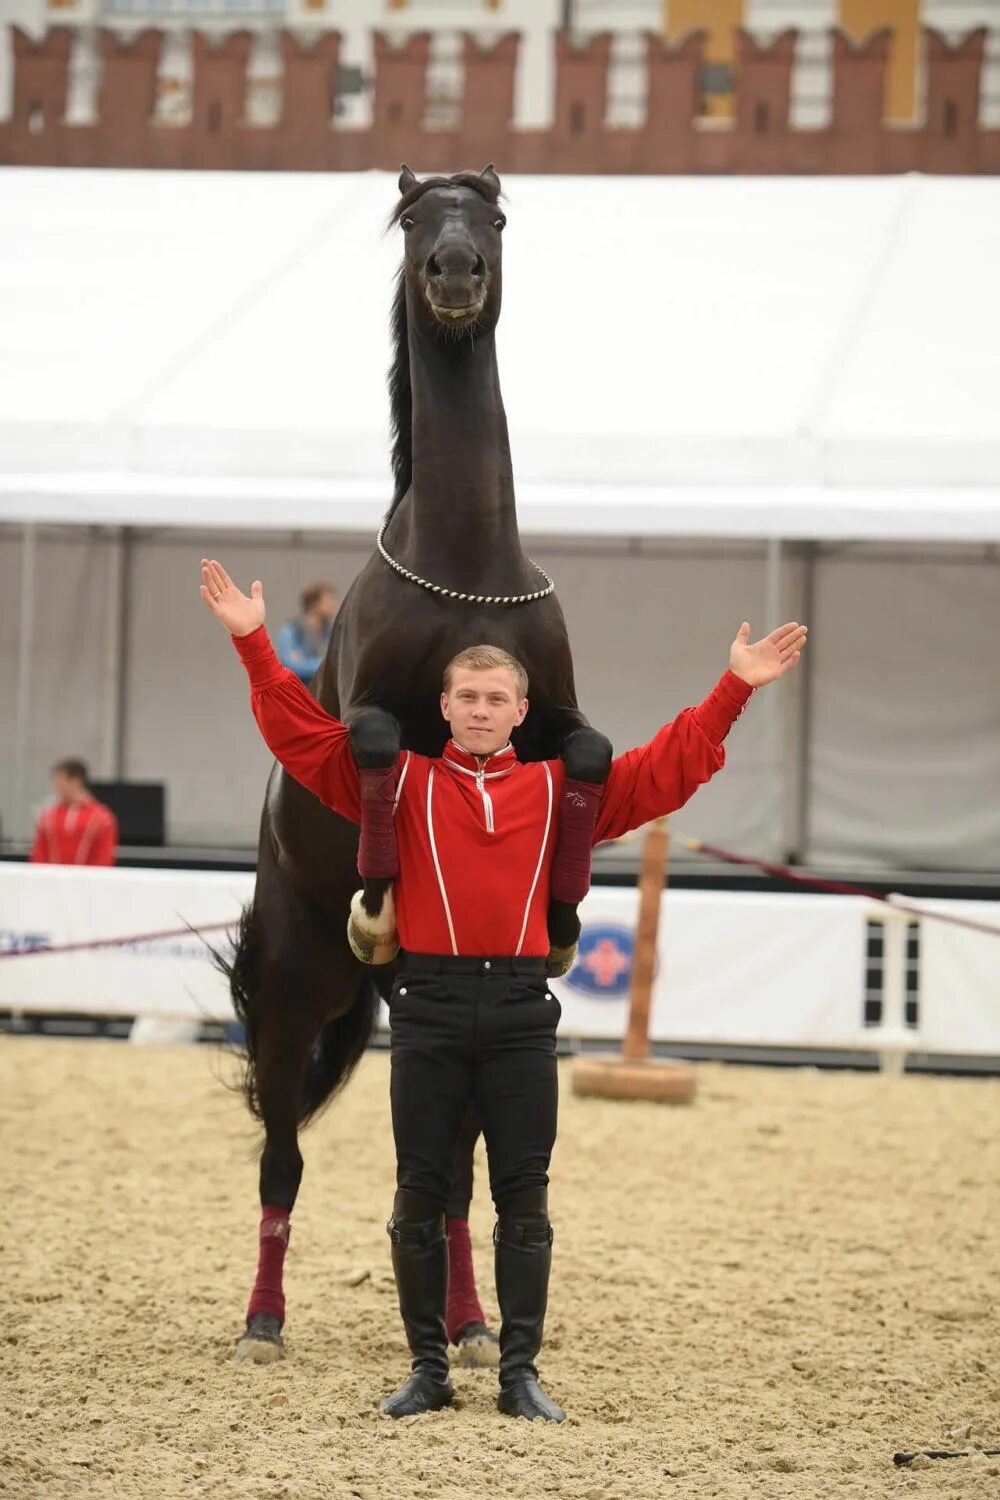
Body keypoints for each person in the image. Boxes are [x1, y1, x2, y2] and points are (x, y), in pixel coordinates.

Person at [199, 556, 806, 1423]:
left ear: (524, 713)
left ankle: (520, 1373)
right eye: (467, 699)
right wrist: (254, 643)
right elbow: (296, 736)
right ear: (443, 709)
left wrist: (733, 691)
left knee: (524, 1202)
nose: (481, 712)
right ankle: (428, 1372)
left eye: (497, 701)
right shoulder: (400, 783)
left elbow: (668, 768)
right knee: (418, 1196)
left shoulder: (563, 791)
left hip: (523, 1014)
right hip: (430, 1008)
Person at [30, 758, 118, 867]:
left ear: (77, 781)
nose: (57, 786)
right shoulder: (48, 816)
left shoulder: (101, 818)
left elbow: (104, 856)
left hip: (87, 880)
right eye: (55, 781)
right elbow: (39, 853)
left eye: (61, 781)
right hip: (51, 880)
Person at [275, 580, 339, 684]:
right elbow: (292, 666)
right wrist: (327, 664)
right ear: (314, 604)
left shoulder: (333, 630)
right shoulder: (291, 631)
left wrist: (306, 662)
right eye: (329, 600)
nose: (333, 604)